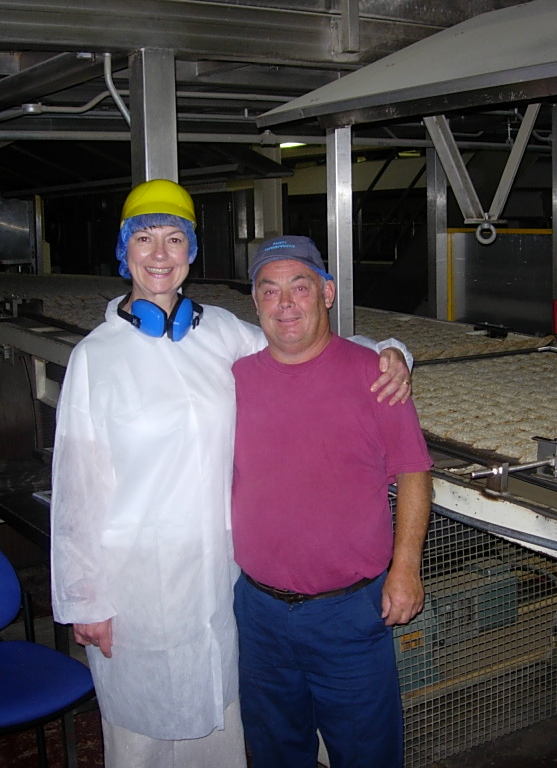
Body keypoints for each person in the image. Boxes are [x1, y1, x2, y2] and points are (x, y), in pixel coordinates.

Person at [49, 181, 412, 768]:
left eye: (174, 239)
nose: (160, 253)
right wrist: (86, 598)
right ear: (125, 253)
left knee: (219, 731)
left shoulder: (218, 332)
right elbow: (76, 488)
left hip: (219, 580)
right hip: (135, 584)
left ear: (191, 253)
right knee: (141, 741)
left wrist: (392, 352)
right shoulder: (97, 357)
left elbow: (309, 347)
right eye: (144, 239)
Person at [231, 235, 434, 768]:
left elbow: (414, 470)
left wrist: (406, 569)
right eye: (269, 291)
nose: (285, 304)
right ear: (255, 303)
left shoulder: (375, 375)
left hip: (349, 614)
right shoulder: (234, 380)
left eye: (299, 287)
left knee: (367, 754)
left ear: (327, 292)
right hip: (259, 613)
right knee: (275, 753)